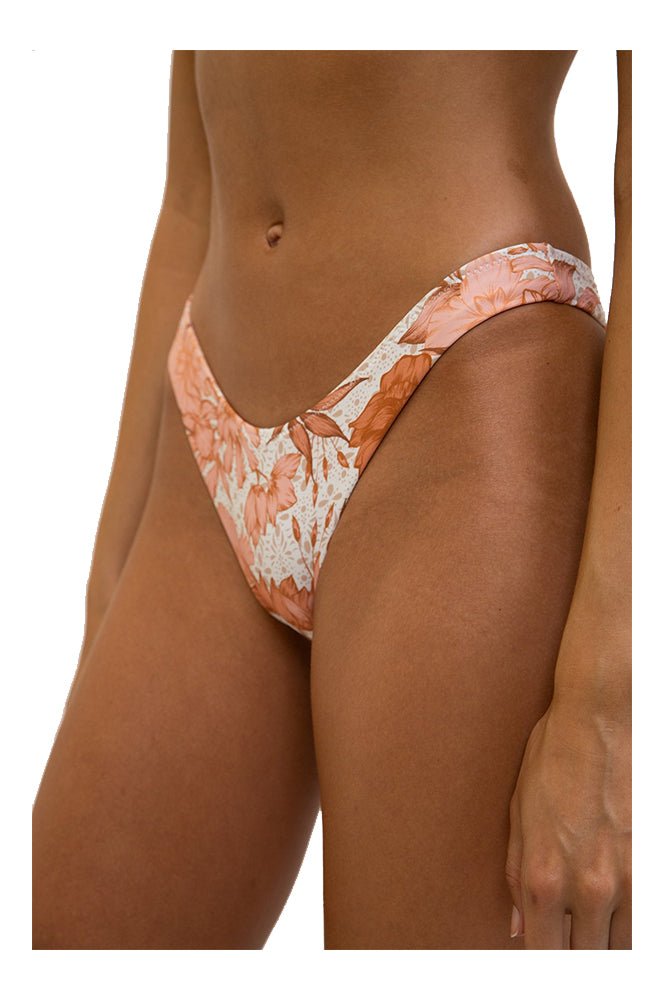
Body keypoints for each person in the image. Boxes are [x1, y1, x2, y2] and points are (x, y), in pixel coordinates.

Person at [32, 49, 631, 950]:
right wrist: (106, 584)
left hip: (457, 379)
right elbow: (190, 194)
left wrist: (611, 701)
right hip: (207, 409)